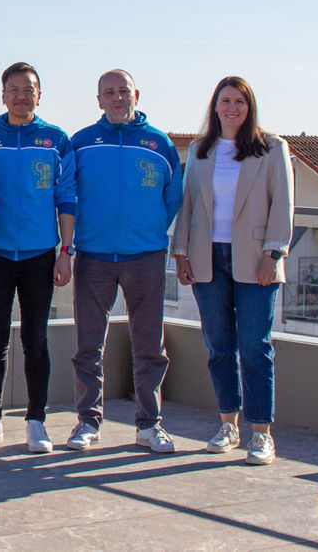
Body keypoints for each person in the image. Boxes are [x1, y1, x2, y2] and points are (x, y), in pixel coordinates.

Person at [172, 76, 294, 466]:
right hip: (207, 258)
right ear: (215, 106)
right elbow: (188, 205)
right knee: (219, 346)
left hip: (256, 259)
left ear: (250, 106)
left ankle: (261, 433)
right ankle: (228, 425)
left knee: (256, 347)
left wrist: (273, 254)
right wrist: (181, 253)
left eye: (240, 101)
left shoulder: (272, 148)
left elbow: (283, 205)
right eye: (225, 101)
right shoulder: (201, 150)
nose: (232, 108)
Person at [67, 69, 182, 453]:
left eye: (123, 91)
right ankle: (88, 421)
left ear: (136, 95)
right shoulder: (82, 142)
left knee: (149, 346)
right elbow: (67, 194)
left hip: (145, 257)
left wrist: (147, 232)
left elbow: (173, 198)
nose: (117, 98)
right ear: (99, 99)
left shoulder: (159, 143)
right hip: (93, 256)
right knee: (88, 346)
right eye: (109, 92)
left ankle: (150, 424)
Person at [0, 63, 75, 454]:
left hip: (40, 255)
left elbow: (66, 198)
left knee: (36, 340)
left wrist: (65, 252)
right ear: (3, 95)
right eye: (14, 89)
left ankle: (36, 421)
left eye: (29, 90)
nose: (21, 96)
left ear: (39, 96)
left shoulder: (56, 140)